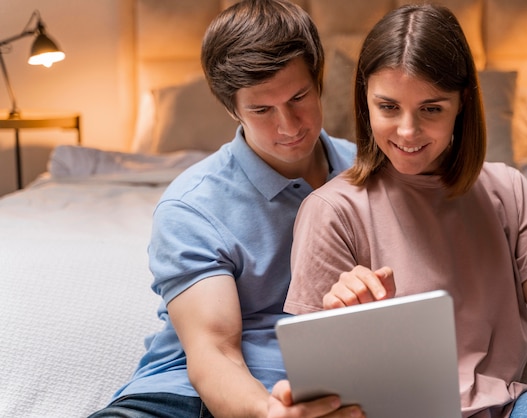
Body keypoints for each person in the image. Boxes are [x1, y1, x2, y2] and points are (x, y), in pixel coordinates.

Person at [284, 3, 527, 417]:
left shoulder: (509, 191)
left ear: (462, 103)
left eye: (431, 109)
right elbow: (321, 398)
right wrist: (346, 322)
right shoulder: (331, 211)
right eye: (388, 107)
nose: (407, 132)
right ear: (365, 100)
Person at [88, 1, 364, 417]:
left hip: (330, 396)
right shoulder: (192, 206)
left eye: (298, 97)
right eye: (262, 110)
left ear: (319, 81)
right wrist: (270, 413)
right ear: (232, 109)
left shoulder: (370, 175)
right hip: (185, 398)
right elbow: (213, 352)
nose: (288, 126)